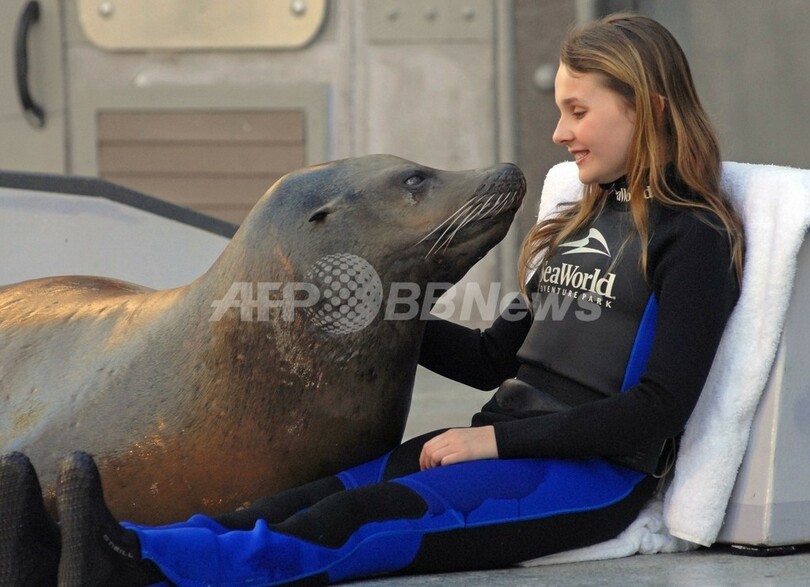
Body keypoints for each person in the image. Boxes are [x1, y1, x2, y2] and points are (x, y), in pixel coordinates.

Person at [1, 12, 744, 587]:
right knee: (297, 499)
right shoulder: (580, 223)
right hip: (497, 444)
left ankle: (139, 567)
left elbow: (656, 406)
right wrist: (364, 304)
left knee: (354, 522)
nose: (560, 132)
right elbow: (493, 358)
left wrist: (494, 442)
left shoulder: (693, 237)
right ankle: (78, 552)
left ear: (644, 107)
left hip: (582, 477)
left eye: (578, 112)